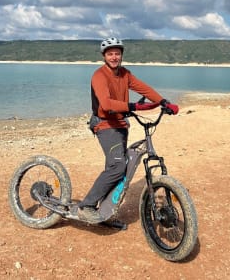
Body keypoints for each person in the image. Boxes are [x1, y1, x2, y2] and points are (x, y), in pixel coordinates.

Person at [77, 37, 179, 223]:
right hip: (105, 124)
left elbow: (144, 88)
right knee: (118, 167)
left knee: (117, 166)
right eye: (110, 54)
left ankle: (105, 211)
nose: (114, 57)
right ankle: (87, 206)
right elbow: (106, 104)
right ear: (104, 56)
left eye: (117, 53)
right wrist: (133, 106)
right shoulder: (99, 75)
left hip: (121, 124)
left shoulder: (125, 74)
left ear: (121, 55)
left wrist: (164, 102)